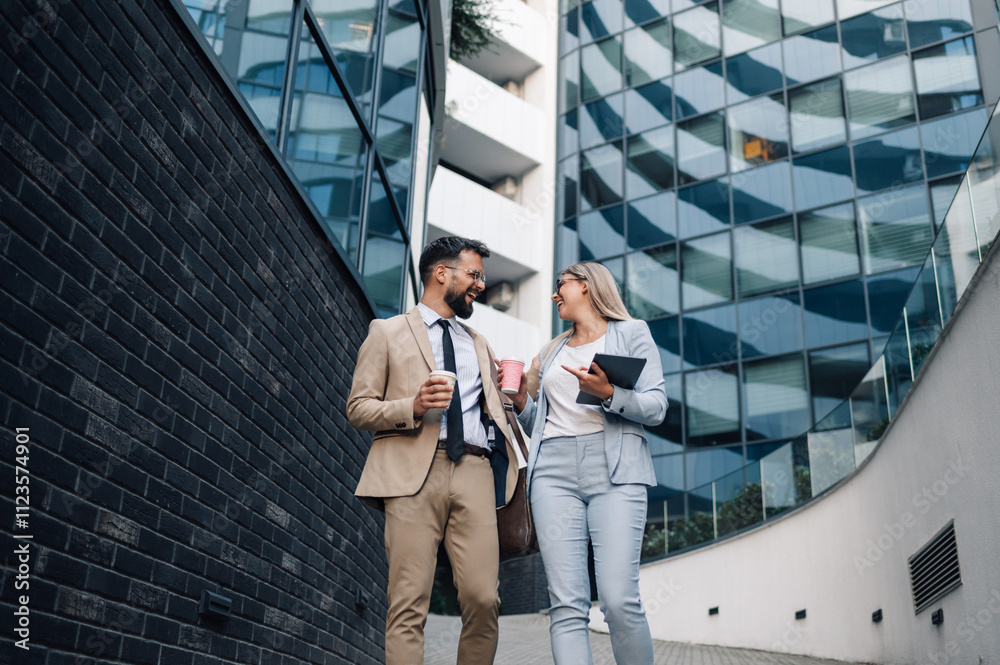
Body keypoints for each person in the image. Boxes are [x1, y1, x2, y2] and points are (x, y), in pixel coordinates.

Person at [347, 237, 520, 665]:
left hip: (475, 469)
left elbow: (496, 408)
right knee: (408, 602)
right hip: (412, 473)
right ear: (442, 274)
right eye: (474, 274)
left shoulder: (478, 342)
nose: (481, 284)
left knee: (484, 598)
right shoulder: (386, 332)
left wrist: (514, 394)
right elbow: (358, 408)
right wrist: (414, 405)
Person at [503, 262, 667, 665]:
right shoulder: (550, 351)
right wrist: (523, 402)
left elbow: (658, 406)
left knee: (617, 597)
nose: (555, 293)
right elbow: (540, 423)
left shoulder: (632, 333)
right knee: (566, 604)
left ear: (588, 286)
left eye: (562, 285)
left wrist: (610, 392)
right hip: (553, 475)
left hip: (616, 470)